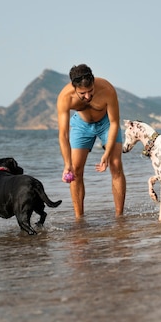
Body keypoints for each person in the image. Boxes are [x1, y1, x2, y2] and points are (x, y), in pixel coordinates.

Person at [56, 64, 126, 218]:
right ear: (74, 88)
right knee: (75, 170)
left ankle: (119, 217)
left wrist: (106, 153)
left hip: (106, 123)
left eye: (90, 91)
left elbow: (114, 123)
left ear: (94, 82)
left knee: (115, 165)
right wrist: (66, 164)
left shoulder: (107, 89)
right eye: (83, 93)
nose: (87, 96)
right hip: (81, 125)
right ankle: (79, 219)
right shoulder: (65, 98)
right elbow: (63, 135)